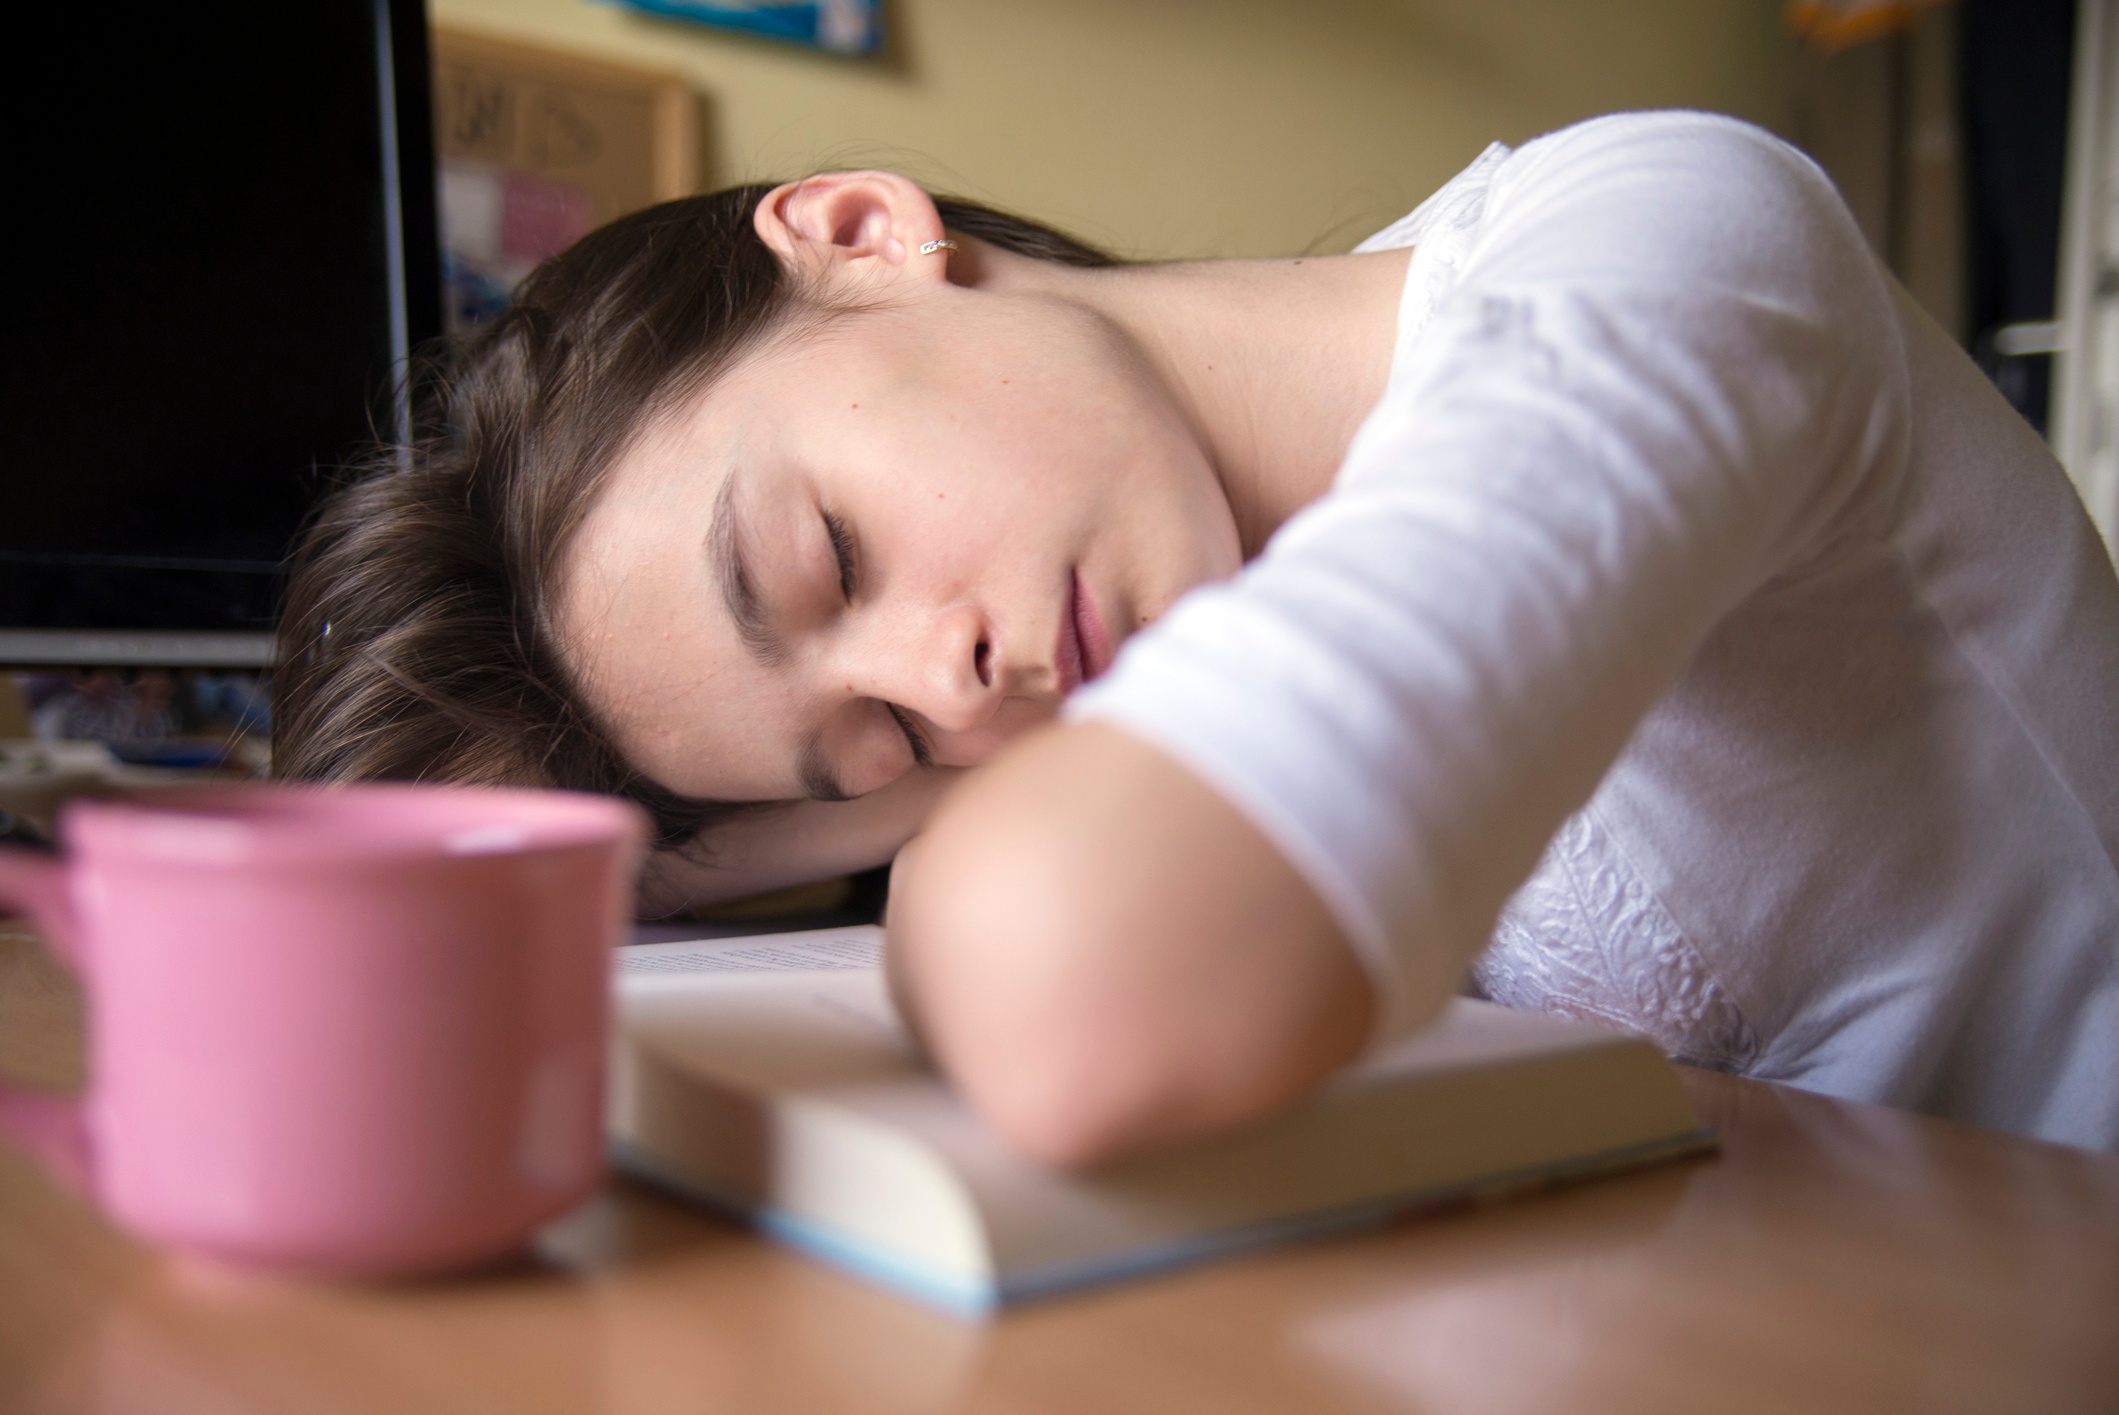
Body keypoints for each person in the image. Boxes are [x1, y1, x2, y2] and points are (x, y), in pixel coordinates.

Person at [276, 111, 2119, 1162]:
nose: (947, 687)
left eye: (830, 556)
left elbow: (1087, 981)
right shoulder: (1180, 632)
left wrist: (942, 878)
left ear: (855, 232)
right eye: (882, 759)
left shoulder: (1665, 247)